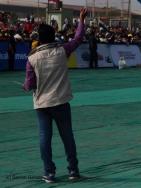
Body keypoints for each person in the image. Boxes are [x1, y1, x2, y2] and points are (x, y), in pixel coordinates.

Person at [23, 8, 88, 183]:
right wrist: (81, 20)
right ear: (53, 36)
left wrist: (26, 86)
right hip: (60, 101)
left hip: (42, 104)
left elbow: (30, 84)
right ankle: (73, 171)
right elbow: (78, 38)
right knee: (67, 137)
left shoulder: (32, 59)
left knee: (45, 138)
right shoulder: (62, 51)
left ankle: (49, 173)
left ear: (39, 39)